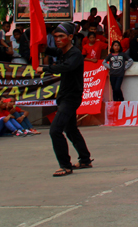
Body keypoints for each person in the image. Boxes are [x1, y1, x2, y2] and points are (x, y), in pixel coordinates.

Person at [39, 22, 92, 177]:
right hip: (64, 96)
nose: (58, 39)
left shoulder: (75, 54)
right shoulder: (63, 52)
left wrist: (45, 68)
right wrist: (44, 48)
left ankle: (65, 166)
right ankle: (85, 159)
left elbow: (66, 67)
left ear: (70, 37)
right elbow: (54, 51)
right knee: (70, 129)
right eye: (55, 37)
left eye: (61, 36)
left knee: (55, 130)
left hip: (71, 98)